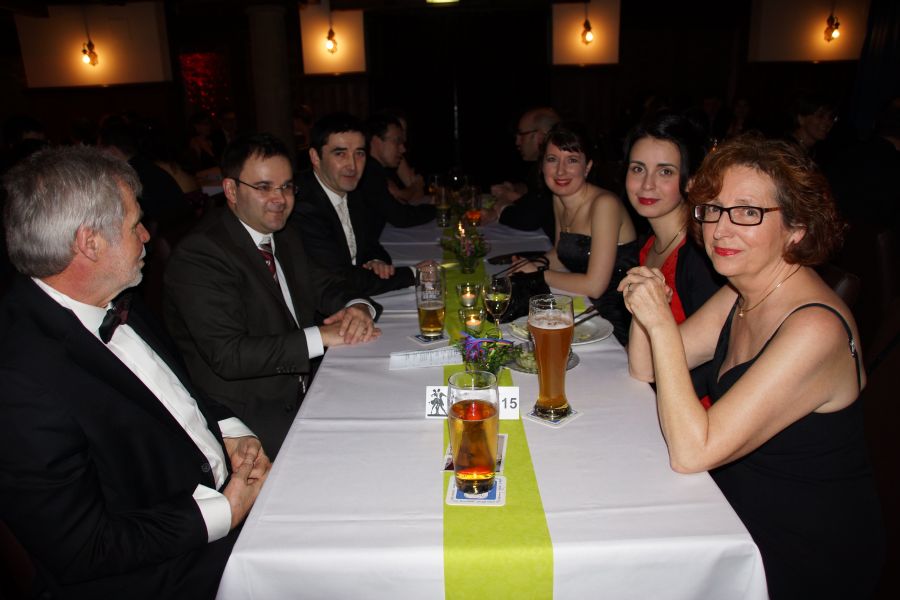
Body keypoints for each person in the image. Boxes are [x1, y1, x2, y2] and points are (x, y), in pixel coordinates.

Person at [619, 135, 885, 599]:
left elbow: (692, 452)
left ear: (797, 227)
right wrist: (649, 305)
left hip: (799, 552)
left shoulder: (815, 329)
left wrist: (660, 324)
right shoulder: (742, 292)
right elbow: (646, 370)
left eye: (747, 212)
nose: (721, 230)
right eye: (713, 209)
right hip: (730, 510)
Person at [0, 146, 270, 599]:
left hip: (215, 499)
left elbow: (178, 394)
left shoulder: (116, 297)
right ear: (89, 243)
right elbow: (82, 548)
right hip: (160, 571)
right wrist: (227, 511)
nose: (146, 235)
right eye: (134, 225)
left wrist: (232, 432)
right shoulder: (19, 379)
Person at [164, 133, 380, 457]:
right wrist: (322, 336)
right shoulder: (201, 254)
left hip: (306, 389)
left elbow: (323, 284)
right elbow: (230, 355)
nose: (280, 199)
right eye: (264, 187)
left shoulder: (283, 233)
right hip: (248, 421)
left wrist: (358, 306)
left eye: (286, 186)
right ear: (231, 190)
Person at [511, 122, 637, 345]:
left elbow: (595, 286)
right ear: (542, 165)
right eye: (552, 159)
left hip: (616, 317)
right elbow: (561, 253)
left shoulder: (604, 204)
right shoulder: (560, 197)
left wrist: (538, 274)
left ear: (587, 167)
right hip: (585, 306)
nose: (561, 171)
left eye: (572, 160)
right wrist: (530, 265)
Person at [293, 113, 416, 296]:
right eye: (340, 154)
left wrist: (376, 260)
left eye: (359, 153)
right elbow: (340, 278)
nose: (352, 166)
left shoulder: (353, 192)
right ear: (315, 157)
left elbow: (370, 243)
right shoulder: (302, 205)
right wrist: (413, 274)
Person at [486, 107, 560, 241]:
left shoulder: (556, 170)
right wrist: (517, 189)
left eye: (521, 134)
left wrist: (500, 207)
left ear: (540, 137)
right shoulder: (539, 166)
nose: (517, 142)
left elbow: (529, 219)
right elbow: (536, 194)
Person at [358, 112, 435, 239]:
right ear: (376, 141)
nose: (403, 149)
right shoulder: (369, 173)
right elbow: (401, 217)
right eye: (397, 141)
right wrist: (437, 209)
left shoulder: (373, 169)